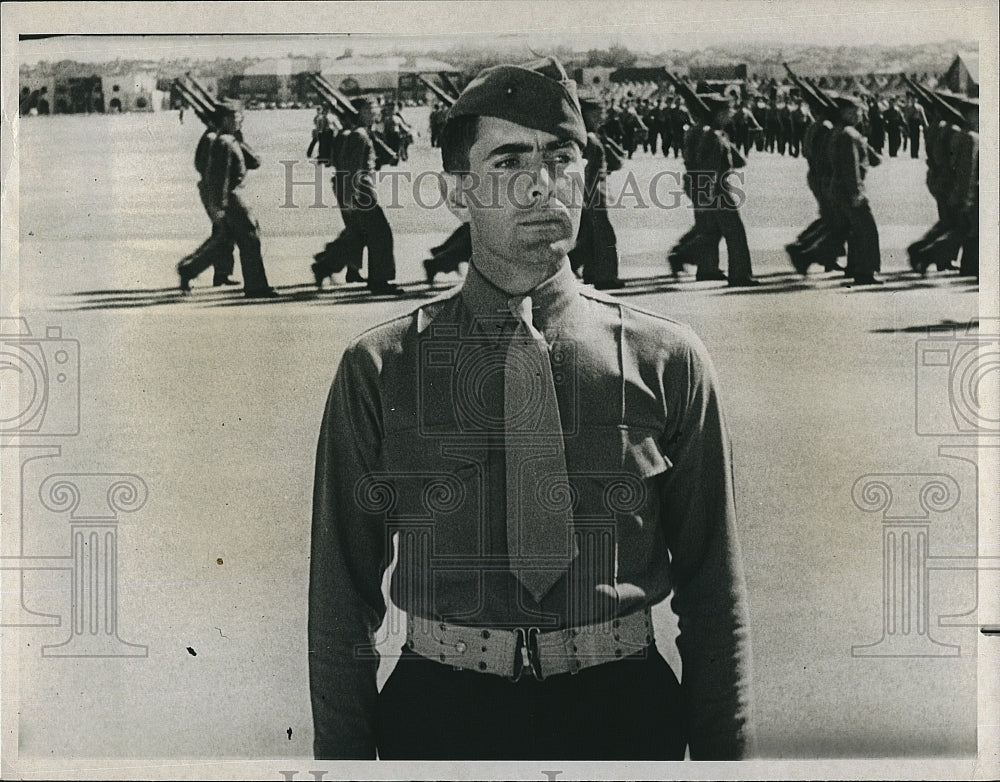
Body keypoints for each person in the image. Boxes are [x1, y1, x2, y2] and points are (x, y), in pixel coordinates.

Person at [309, 55, 754, 762]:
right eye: (510, 159)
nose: (543, 183)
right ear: (459, 194)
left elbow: (714, 596)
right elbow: (339, 604)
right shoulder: (383, 368)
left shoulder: (666, 359)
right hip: (442, 718)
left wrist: (730, 767)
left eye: (562, 157)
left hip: (625, 714)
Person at [178, 100, 277, 298]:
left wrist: (240, 139)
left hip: (234, 197)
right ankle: (255, 286)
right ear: (225, 119)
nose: (240, 121)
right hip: (234, 199)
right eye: (236, 118)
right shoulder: (223, 143)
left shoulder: (230, 140)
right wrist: (219, 205)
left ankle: (188, 269)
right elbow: (219, 177)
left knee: (223, 242)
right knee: (250, 240)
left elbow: (255, 162)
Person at [311, 97, 404, 296]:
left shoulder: (361, 133)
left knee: (358, 235)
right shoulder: (359, 136)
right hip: (361, 191)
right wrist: (349, 199)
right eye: (371, 108)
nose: (377, 111)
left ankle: (325, 266)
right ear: (360, 111)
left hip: (358, 190)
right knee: (380, 234)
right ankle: (379, 281)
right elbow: (351, 170)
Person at [176, 113, 239, 290]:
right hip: (216, 194)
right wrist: (216, 198)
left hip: (218, 193)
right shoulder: (213, 138)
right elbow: (206, 167)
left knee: (224, 235)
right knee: (224, 235)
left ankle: (221, 273)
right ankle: (190, 269)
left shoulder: (218, 136)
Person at [568, 95, 624, 289]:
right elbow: (587, 171)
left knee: (590, 236)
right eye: (598, 112)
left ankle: (590, 271)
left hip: (593, 191)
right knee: (604, 235)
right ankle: (605, 276)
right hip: (593, 192)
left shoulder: (592, 136)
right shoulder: (589, 139)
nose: (602, 116)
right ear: (586, 115)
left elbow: (617, 160)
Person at [827, 97, 882, 285]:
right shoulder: (849, 135)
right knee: (867, 229)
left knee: (855, 230)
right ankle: (865, 272)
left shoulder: (842, 132)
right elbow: (851, 167)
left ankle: (856, 268)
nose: (861, 114)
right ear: (846, 113)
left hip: (839, 187)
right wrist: (856, 192)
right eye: (857, 111)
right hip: (848, 187)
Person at [905, 94, 928, 159]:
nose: (913, 100)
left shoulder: (920, 107)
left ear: (917, 100)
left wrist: (926, 124)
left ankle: (916, 153)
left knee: (917, 139)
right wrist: (907, 125)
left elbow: (923, 116)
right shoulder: (909, 108)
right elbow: (907, 117)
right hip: (911, 123)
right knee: (912, 139)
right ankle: (913, 154)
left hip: (917, 123)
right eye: (912, 99)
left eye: (915, 99)